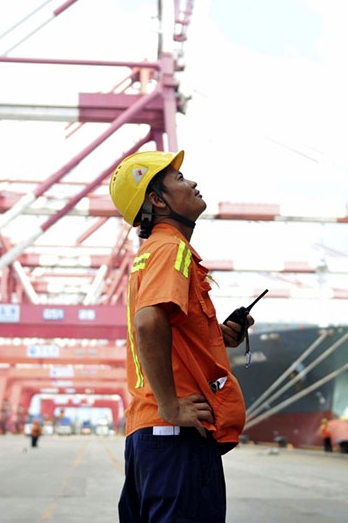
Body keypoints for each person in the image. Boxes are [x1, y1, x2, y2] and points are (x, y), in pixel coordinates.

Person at [109, 149, 251, 523]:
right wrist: (171, 407)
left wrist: (217, 336)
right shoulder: (171, 249)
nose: (192, 183)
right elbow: (148, 323)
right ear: (156, 199)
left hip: (149, 437)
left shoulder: (151, 254)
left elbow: (164, 326)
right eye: (179, 179)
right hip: (175, 433)